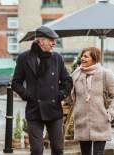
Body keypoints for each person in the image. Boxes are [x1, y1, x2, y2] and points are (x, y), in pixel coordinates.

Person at [12, 26, 73, 155]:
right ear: (40, 41)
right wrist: (27, 95)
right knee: (36, 150)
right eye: (51, 40)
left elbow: (67, 81)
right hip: (34, 110)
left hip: (54, 109)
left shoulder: (57, 58)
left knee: (58, 148)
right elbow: (16, 83)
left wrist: (60, 95)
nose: (54, 43)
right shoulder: (24, 58)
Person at [71, 47, 114, 155]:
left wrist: (110, 113)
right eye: (82, 56)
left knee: (98, 153)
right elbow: (70, 95)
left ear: (94, 58)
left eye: (86, 56)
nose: (82, 58)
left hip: (101, 120)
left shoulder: (105, 74)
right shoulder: (76, 74)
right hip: (82, 121)